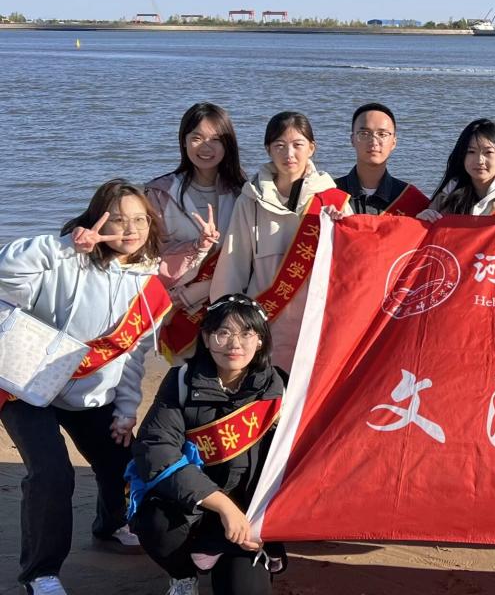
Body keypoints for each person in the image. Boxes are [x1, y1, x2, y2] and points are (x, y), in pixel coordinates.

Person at [0, 180, 172, 595]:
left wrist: (126, 410)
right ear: (97, 220)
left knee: (121, 459)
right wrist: (63, 247)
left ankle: (111, 523)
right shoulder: (64, 261)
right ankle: (40, 573)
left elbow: (132, 357)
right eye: (119, 219)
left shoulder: (148, 286)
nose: (130, 229)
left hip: (90, 392)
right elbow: (5, 271)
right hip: (28, 386)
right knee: (52, 474)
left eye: (139, 220)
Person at [131, 294, 287, 595]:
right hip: (195, 505)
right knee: (154, 522)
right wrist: (222, 504)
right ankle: (183, 576)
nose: (234, 344)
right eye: (223, 332)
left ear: (260, 340)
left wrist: (268, 521)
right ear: (206, 337)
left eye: (246, 333)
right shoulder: (181, 381)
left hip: (249, 514)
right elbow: (156, 447)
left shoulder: (280, 388)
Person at [210, 111, 349, 372]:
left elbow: (350, 270)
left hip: (315, 325)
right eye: (280, 145)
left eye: (298, 145)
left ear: (312, 148)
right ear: (268, 149)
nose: (289, 154)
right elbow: (233, 264)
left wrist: (342, 229)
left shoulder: (333, 202)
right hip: (264, 322)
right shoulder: (250, 200)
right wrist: (226, 322)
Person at [146, 103, 246, 359]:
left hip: (229, 305)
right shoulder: (160, 193)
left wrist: (200, 291)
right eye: (197, 138)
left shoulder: (243, 194)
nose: (206, 147)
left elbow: (250, 258)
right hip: (175, 307)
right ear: (183, 141)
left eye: (216, 139)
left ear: (228, 144)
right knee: (184, 375)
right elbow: (149, 256)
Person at [418, 118, 495, 222]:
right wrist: (421, 220)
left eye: (488, 152)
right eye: (471, 152)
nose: (480, 160)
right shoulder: (447, 196)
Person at [334, 102, 430, 217]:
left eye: (382, 134)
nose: (374, 142)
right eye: (364, 134)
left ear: (394, 142)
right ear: (352, 140)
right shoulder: (330, 193)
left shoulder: (413, 200)